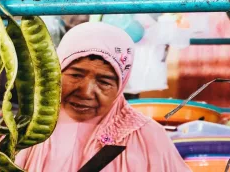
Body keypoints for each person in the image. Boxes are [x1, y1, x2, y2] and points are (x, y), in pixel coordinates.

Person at [14, 22, 192, 172]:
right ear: (57, 72)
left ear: (121, 85)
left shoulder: (148, 137)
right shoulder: (27, 128)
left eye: (104, 82)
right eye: (76, 75)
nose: (86, 92)